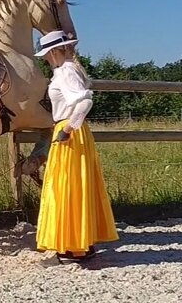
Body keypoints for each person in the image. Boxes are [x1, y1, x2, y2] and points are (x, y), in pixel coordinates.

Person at [33, 29, 118, 263]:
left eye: (47, 54)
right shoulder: (66, 70)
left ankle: (73, 245)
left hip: (69, 132)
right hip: (73, 132)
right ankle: (79, 243)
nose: (47, 58)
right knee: (73, 185)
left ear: (54, 51)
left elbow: (84, 101)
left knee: (67, 186)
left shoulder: (66, 72)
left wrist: (68, 129)